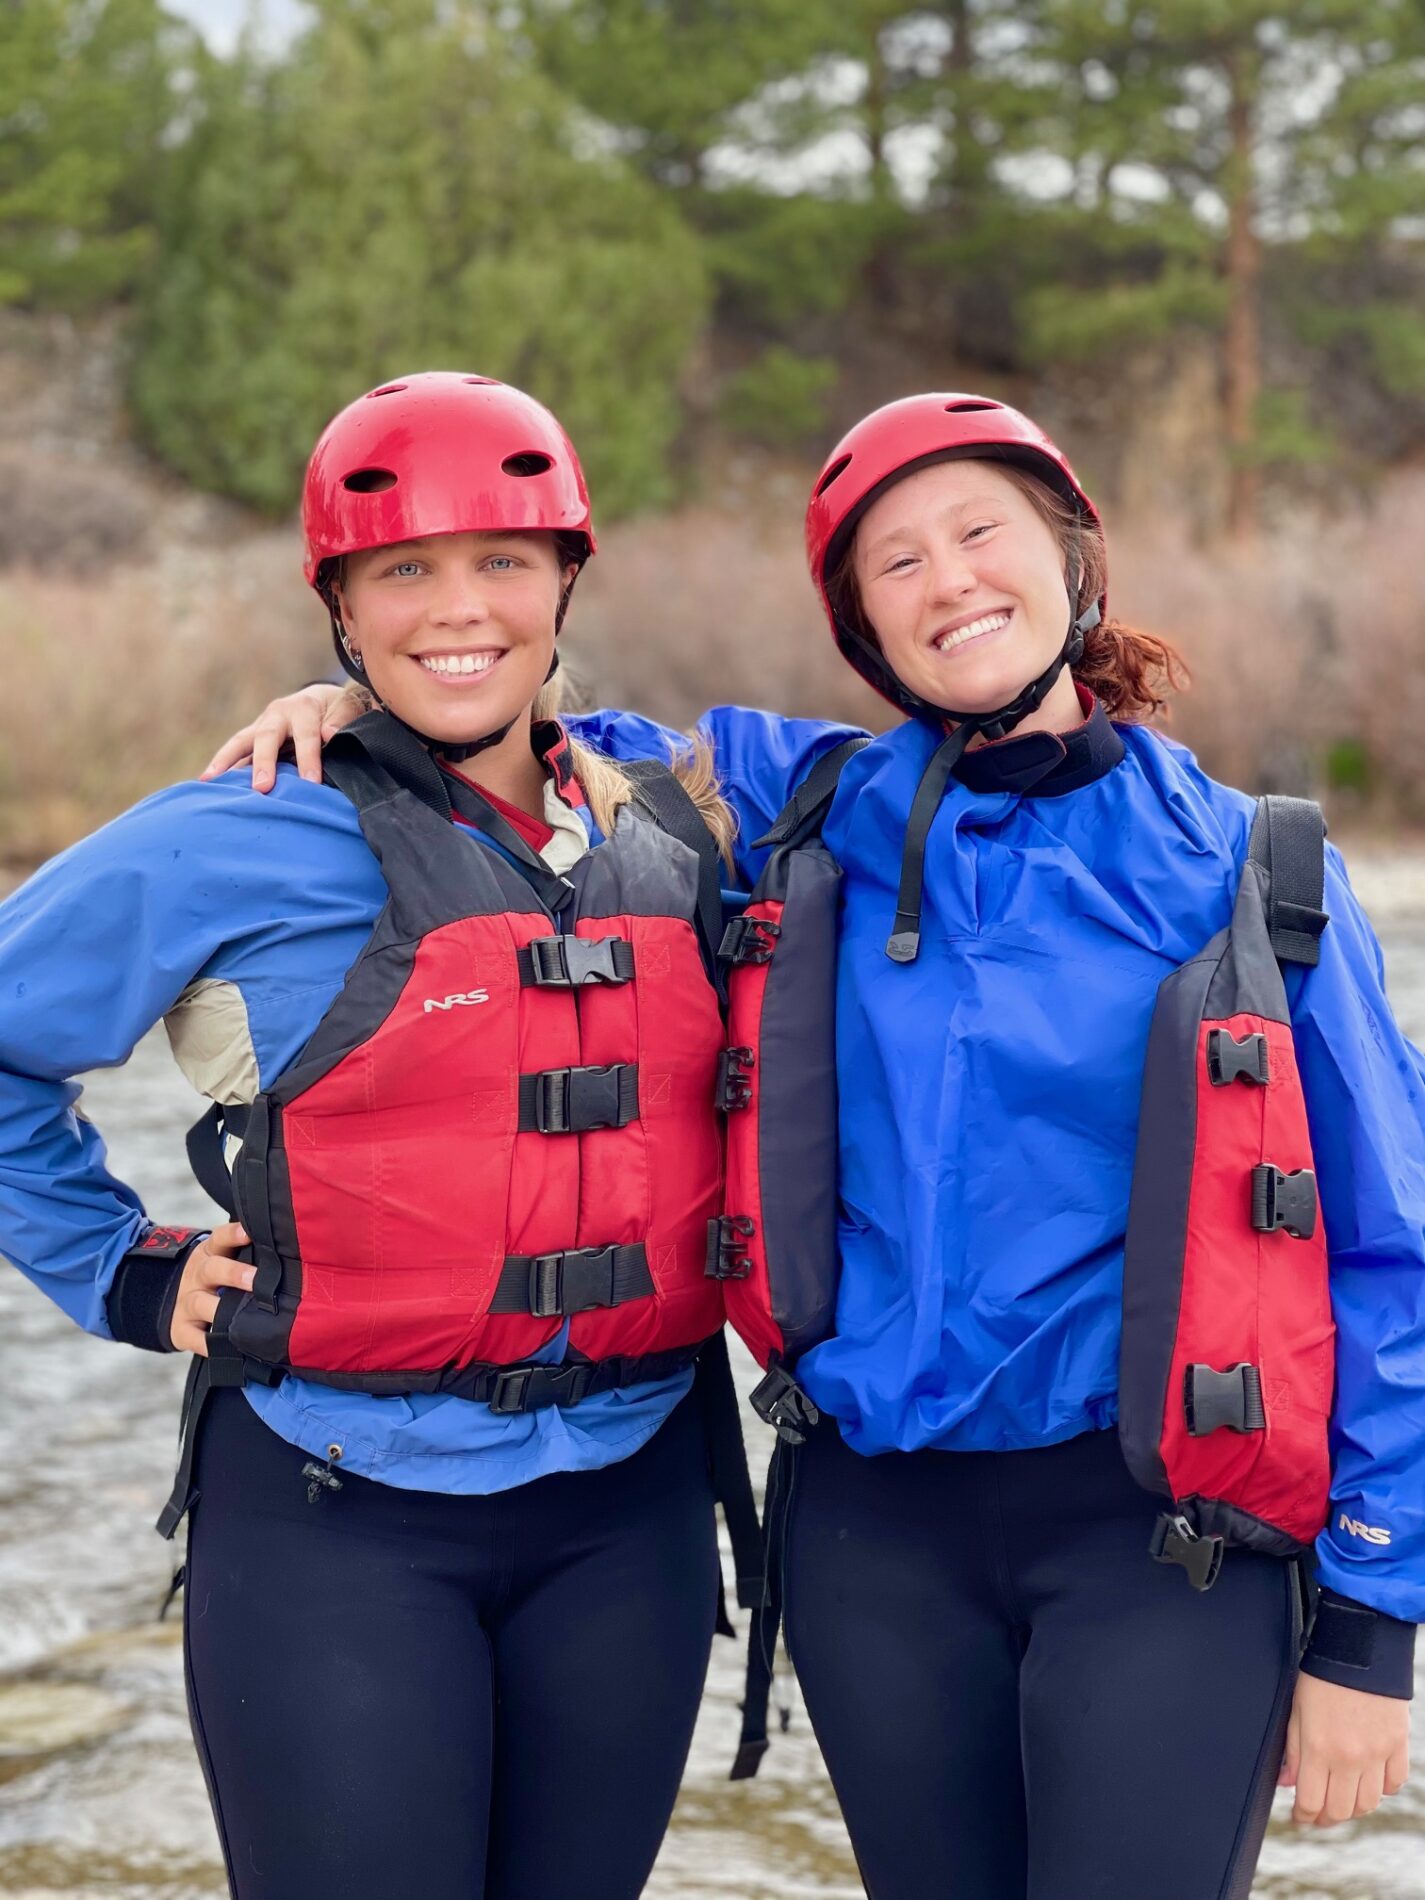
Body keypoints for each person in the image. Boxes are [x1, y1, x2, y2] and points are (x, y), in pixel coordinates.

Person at [215, 392, 1422, 1899]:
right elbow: (516, 723)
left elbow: (1385, 1251)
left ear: (1068, 561)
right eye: (893, 565)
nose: (948, 582)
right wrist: (344, 717)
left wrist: (1371, 1625)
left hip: (1161, 1543)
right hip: (872, 1536)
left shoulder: (1259, 871)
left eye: (979, 534)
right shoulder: (792, 811)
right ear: (859, 626)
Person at [0, 371, 771, 1900]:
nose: (455, 608)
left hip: (630, 1511)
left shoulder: (680, 812)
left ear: (566, 583)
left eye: (501, 561)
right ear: (341, 615)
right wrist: (123, 1270)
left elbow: (937, 770)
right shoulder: (231, 830)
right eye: (400, 571)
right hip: (331, 1515)